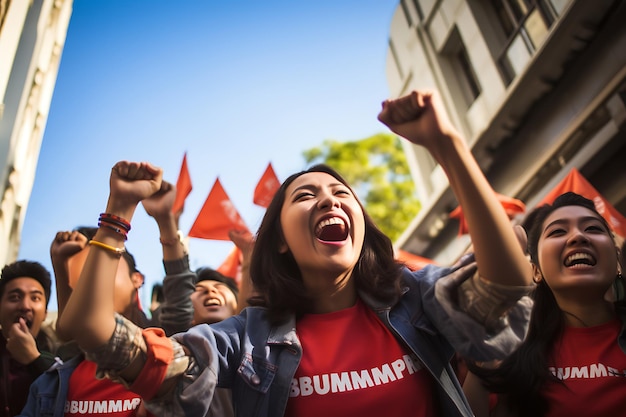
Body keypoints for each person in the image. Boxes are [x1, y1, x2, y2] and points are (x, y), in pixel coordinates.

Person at [57, 90, 533, 417]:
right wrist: (119, 210)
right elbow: (92, 331)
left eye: (341, 193)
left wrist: (446, 145)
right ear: (280, 239)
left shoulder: (416, 298)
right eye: (306, 197)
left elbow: (505, 282)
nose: (329, 199)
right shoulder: (245, 342)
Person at [464, 192, 626, 417]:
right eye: (558, 231)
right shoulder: (514, 356)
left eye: (593, 229)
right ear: (536, 271)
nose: (578, 237)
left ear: (617, 260)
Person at [19, 229, 155, 417]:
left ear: (136, 279)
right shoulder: (52, 382)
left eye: (106, 268)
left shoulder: (165, 350)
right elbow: (71, 330)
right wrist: (60, 265)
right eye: (82, 274)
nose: (93, 281)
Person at [0, 260, 58, 417]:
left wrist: (35, 361)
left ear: (45, 313)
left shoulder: (57, 362)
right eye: (15, 297)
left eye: (35, 298)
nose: (25, 306)